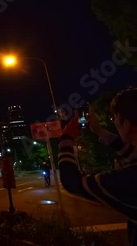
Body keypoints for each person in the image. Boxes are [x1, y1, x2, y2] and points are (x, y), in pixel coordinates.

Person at [58, 88, 137, 246]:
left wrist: (66, 139)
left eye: (115, 117)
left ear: (126, 124)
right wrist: (100, 131)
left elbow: (72, 182)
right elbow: (133, 154)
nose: (113, 121)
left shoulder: (130, 180)